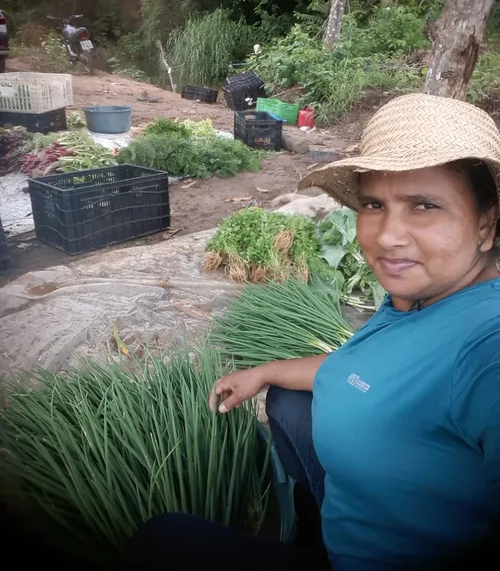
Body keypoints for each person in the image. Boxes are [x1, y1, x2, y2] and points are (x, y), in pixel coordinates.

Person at [128, 93, 500, 570]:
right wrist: (266, 371)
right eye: (374, 204)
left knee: (164, 540)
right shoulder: (420, 299)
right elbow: (376, 369)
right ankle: (314, 529)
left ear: (485, 226)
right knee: (287, 399)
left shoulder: (485, 341)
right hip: (354, 521)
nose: (387, 235)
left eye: (424, 205)